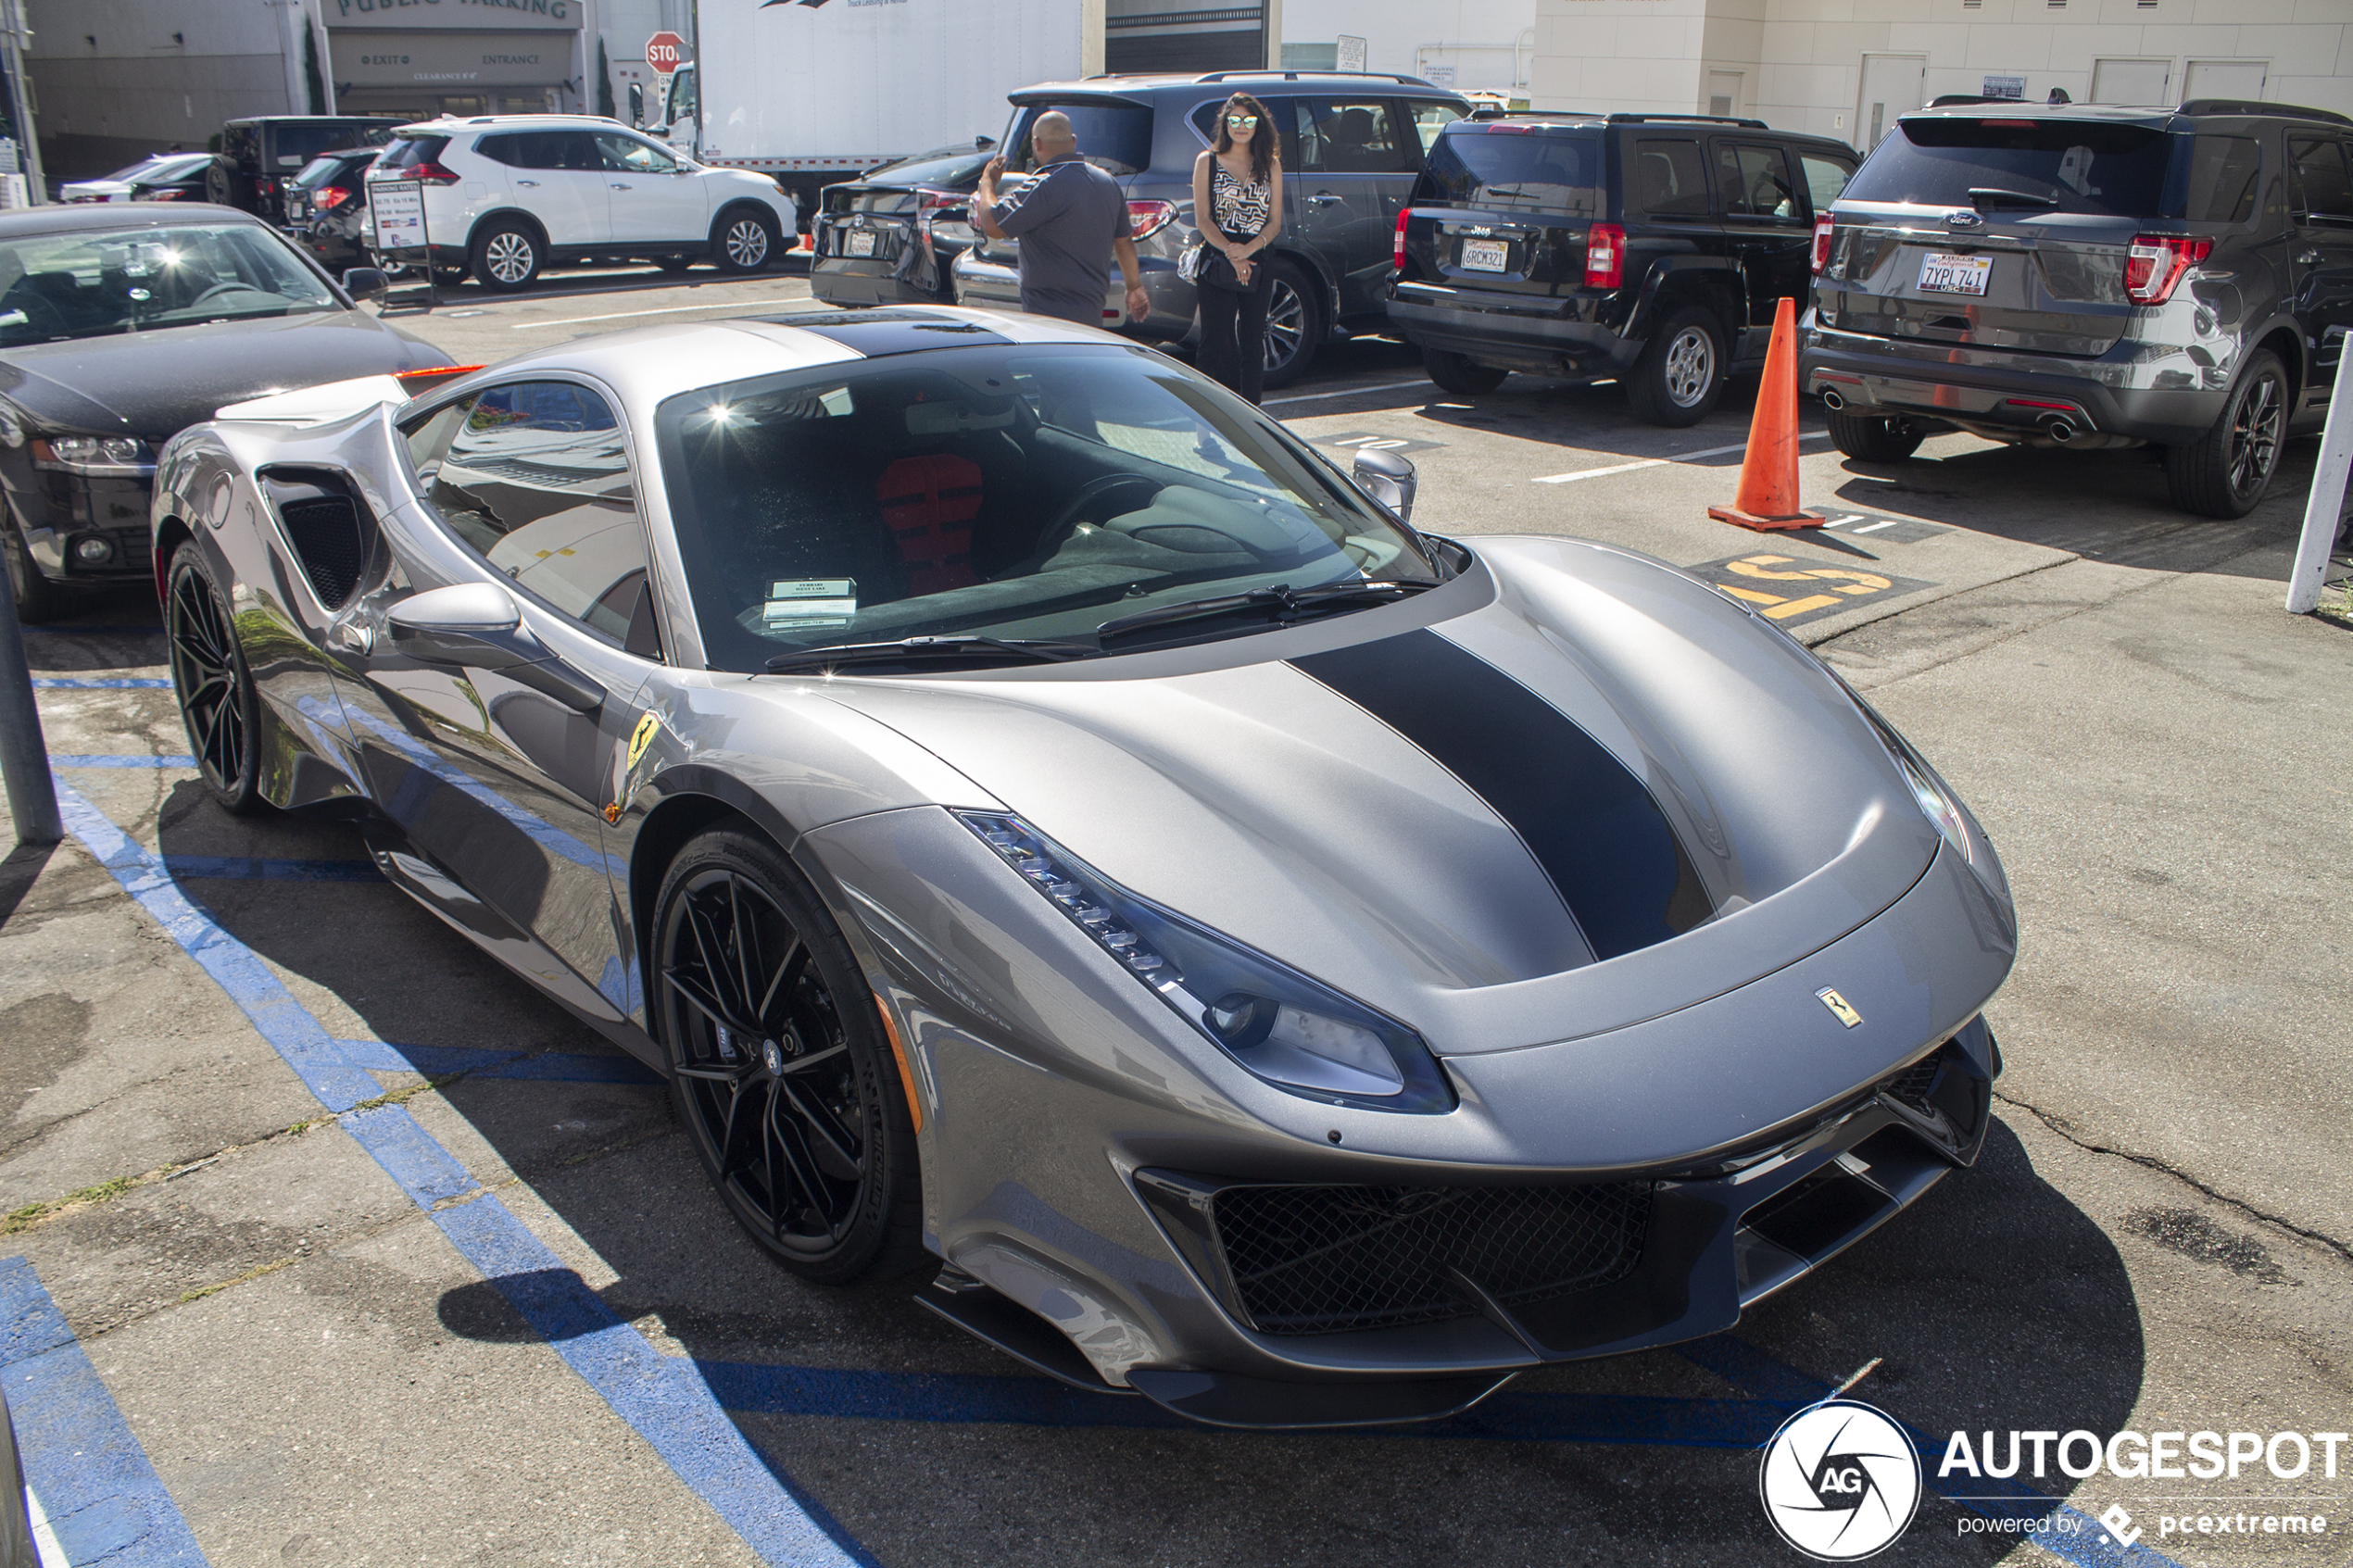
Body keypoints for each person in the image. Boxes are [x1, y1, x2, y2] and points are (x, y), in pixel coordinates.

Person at [975, 111, 1151, 329]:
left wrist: (987, 182)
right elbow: (1123, 241)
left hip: (1046, 321)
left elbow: (992, 223)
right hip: (1091, 318)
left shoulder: (1044, 184)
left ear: (1037, 144)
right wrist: (1134, 287)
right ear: (1074, 141)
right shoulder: (1107, 183)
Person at [1189, 92, 1284, 403]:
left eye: (1248, 120)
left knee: (1253, 343)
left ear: (1258, 124)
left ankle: (1252, 421)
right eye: (1234, 120)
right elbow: (1203, 219)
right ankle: (1209, 421)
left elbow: (1274, 222)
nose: (1241, 126)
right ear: (1225, 123)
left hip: (1258, 258)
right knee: (1215, 343)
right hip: (1218, 257)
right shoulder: (1208, 162)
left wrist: (1249, 250)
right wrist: (1232, 251)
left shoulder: (1270, 165)